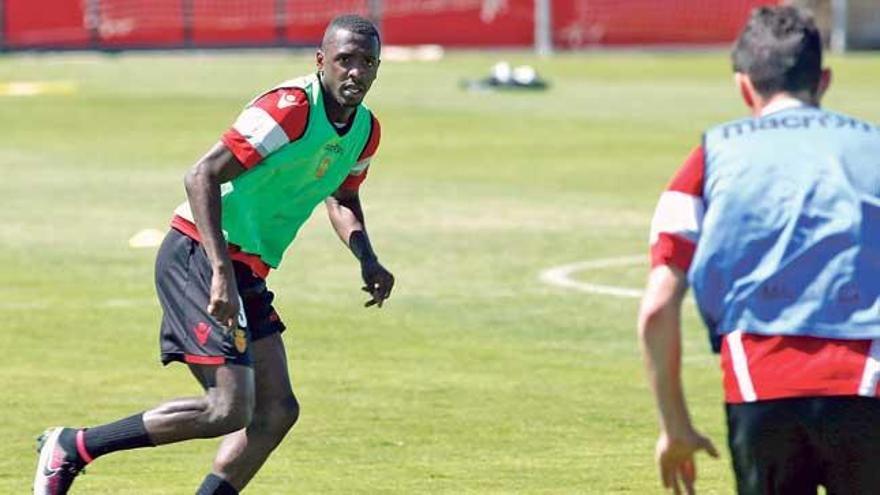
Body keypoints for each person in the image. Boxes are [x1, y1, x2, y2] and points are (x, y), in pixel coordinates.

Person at [33, 14, 394, 495]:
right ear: (321, 60)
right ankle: (73, 446)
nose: (355, 72)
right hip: (199, 254)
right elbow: (201, 175)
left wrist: (366, 257)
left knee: (276, 411)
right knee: (227, 408)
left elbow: (343, 197)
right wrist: (220, 274)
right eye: (344, 60)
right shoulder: (290, 108)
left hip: (245, 269)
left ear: (376, 69)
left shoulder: (365, 131)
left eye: (366, 62)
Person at [639, 6, 880, 495]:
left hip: (760, 383)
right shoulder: (874, 146)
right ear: (824, 80)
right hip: (867, 384)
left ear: (743, 85)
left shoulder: (711, 155)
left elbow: (657, 308)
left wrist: (676, 425)